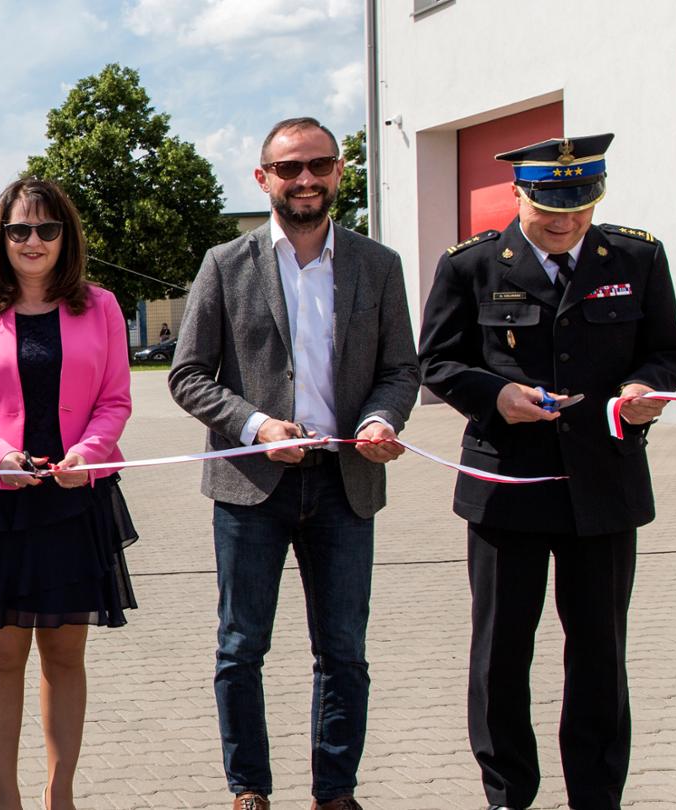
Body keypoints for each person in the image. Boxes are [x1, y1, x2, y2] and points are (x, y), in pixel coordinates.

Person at [416, 134, 676, 810]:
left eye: (580, 207)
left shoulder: (638, 256)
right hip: (508, 488)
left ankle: (596, 795)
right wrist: (496, 396)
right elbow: (438, 361)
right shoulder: (472, 264)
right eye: (549, 208)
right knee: (502, 650)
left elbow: (669, 352)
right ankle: (508, 792)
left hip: (604, 486)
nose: (566, 222)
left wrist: (643, 389)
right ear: (518, 194)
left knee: (599, 651)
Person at [168, 117, 420, 810]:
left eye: (319, 165)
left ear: (339, 171)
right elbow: (188, 375)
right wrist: (256, 426)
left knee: (343, 651)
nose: (305, 179)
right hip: (252, 486)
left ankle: (334, 793)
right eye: (288, 168)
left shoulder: (378, 264)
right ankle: (249, 788)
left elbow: (401, 369)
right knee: (240, 648)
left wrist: (380, 419)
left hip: (346, 485)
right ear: (263, 178)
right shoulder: (226, 263)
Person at [0, 178, 136, 810]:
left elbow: (115, 400)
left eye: (47, 229)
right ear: (0, 238)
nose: (33, 241)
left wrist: (89, 455)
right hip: (0, 504)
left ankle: (60, 794)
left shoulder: (101, 306)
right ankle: (6, 797)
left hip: (76, 498)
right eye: (19, 229)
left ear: (65, 237)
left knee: (65, 654)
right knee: (1, 654)